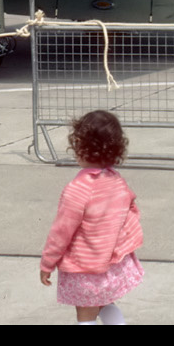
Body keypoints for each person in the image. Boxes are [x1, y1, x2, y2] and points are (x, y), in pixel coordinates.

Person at [39, 110, 143, 325]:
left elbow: (61, 232)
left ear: (79, 146)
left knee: (86, 315)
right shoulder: (117, 181)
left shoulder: (78, 189)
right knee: (106, 303)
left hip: (85, 268)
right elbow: (130, 215)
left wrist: (47, 263)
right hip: (111, 266)